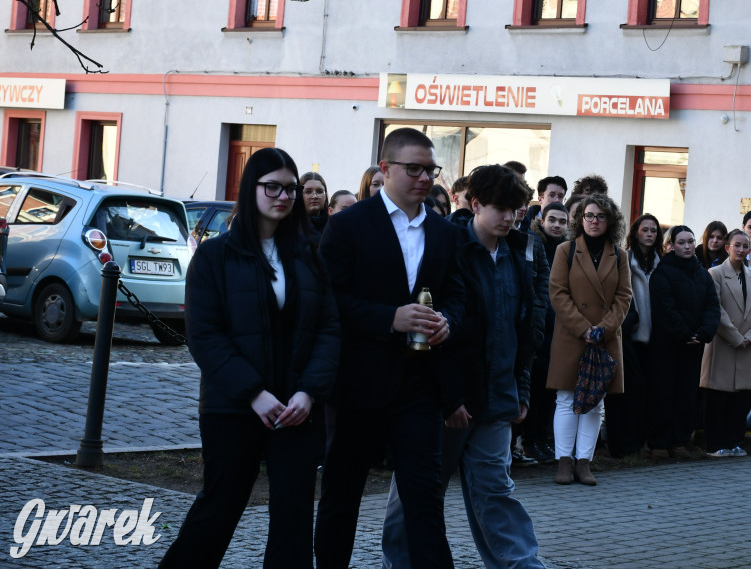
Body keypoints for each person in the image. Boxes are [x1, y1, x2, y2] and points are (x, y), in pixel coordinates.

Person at [160, 148, 340, 569]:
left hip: (298, 410)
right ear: (251, 188)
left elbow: (329, 330)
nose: (283, 196)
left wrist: (309, 394)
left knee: (294, 517)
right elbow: (205, 336)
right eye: (272, 186)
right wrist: (253, 393)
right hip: (234, 408)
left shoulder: (310, 255)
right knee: (219, 507)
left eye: (290, 189)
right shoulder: (215, 256)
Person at [381, 164, 548, 569]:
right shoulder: (446, 247)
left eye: (516, 209)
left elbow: (522, 330)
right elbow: (432, 332)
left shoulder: (520, 253)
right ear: (475, 204)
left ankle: (523, 565)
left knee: (496, 491)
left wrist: (521, 389)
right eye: (501, 208)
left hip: (497, 398)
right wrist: (449, 396)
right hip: (441, 399)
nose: (509, 217)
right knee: (417, 492)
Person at [315, 128, 465, 568]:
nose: (424, 178)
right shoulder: (348, 225)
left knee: (424, 500)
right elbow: (329, 302)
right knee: (342, 496)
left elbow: (458, 296)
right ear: (385, 169)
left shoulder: (443, 231)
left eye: (430, 170)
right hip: (359, 382)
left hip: (419, 386)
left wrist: (446, 322)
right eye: (413, 169)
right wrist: (389, 318)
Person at [547, 194, 632, 486]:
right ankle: (563, 461)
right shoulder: (565, 250)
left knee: (595, 402)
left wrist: (604, 328)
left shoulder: (619, 255)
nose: (594, 221)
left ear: (610, 221)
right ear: (580, 219)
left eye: (600, 216)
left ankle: (584, 462)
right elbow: (558, 292)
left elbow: (624, 296)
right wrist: (583, 327)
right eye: (589, 216)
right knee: (567, 398)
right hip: (572, 334)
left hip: (605, 336)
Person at [649, 225, 721, 458]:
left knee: (687, 395)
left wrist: (702, 333)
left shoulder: (702, 273)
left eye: (691, 241)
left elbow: (712, 305)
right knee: (663, 393)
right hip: (668, 345)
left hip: (694, 345)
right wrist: (684, 333)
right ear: (671, 246)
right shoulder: (663, 272)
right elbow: (664, 308)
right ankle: (659, 443)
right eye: (682, 242)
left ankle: (680, 441)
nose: (688, 246)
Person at [703, 229, 751, 457]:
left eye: (745, 246)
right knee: (719, 396)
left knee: (741, 397)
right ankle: (715, 443)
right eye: (736, 245)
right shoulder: (715, 273)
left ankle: (735, 441)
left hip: (748, 343)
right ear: (727, 248)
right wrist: (736, 337)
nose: (741, 250)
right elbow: (715, 309)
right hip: (724, 343)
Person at [605, 213, 662, 458]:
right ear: (635, 232)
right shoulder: (624, 259)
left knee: (649, 391)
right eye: (645, 230)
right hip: (628, 334)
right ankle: (621, 443)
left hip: (655, 337)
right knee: (627, 390)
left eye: (653, 230)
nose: (649, 234)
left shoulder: (663, 262)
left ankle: (641, 442)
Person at [520, 201, 569, 463]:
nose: (557, 225)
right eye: (553, 220)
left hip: (560, 329)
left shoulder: (567, 251)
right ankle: (529, 441)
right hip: (539, 325)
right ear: (542, 221)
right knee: (535, 388)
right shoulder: (532, 244)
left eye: (562, 222)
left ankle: (541, 439)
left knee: (550, 390)